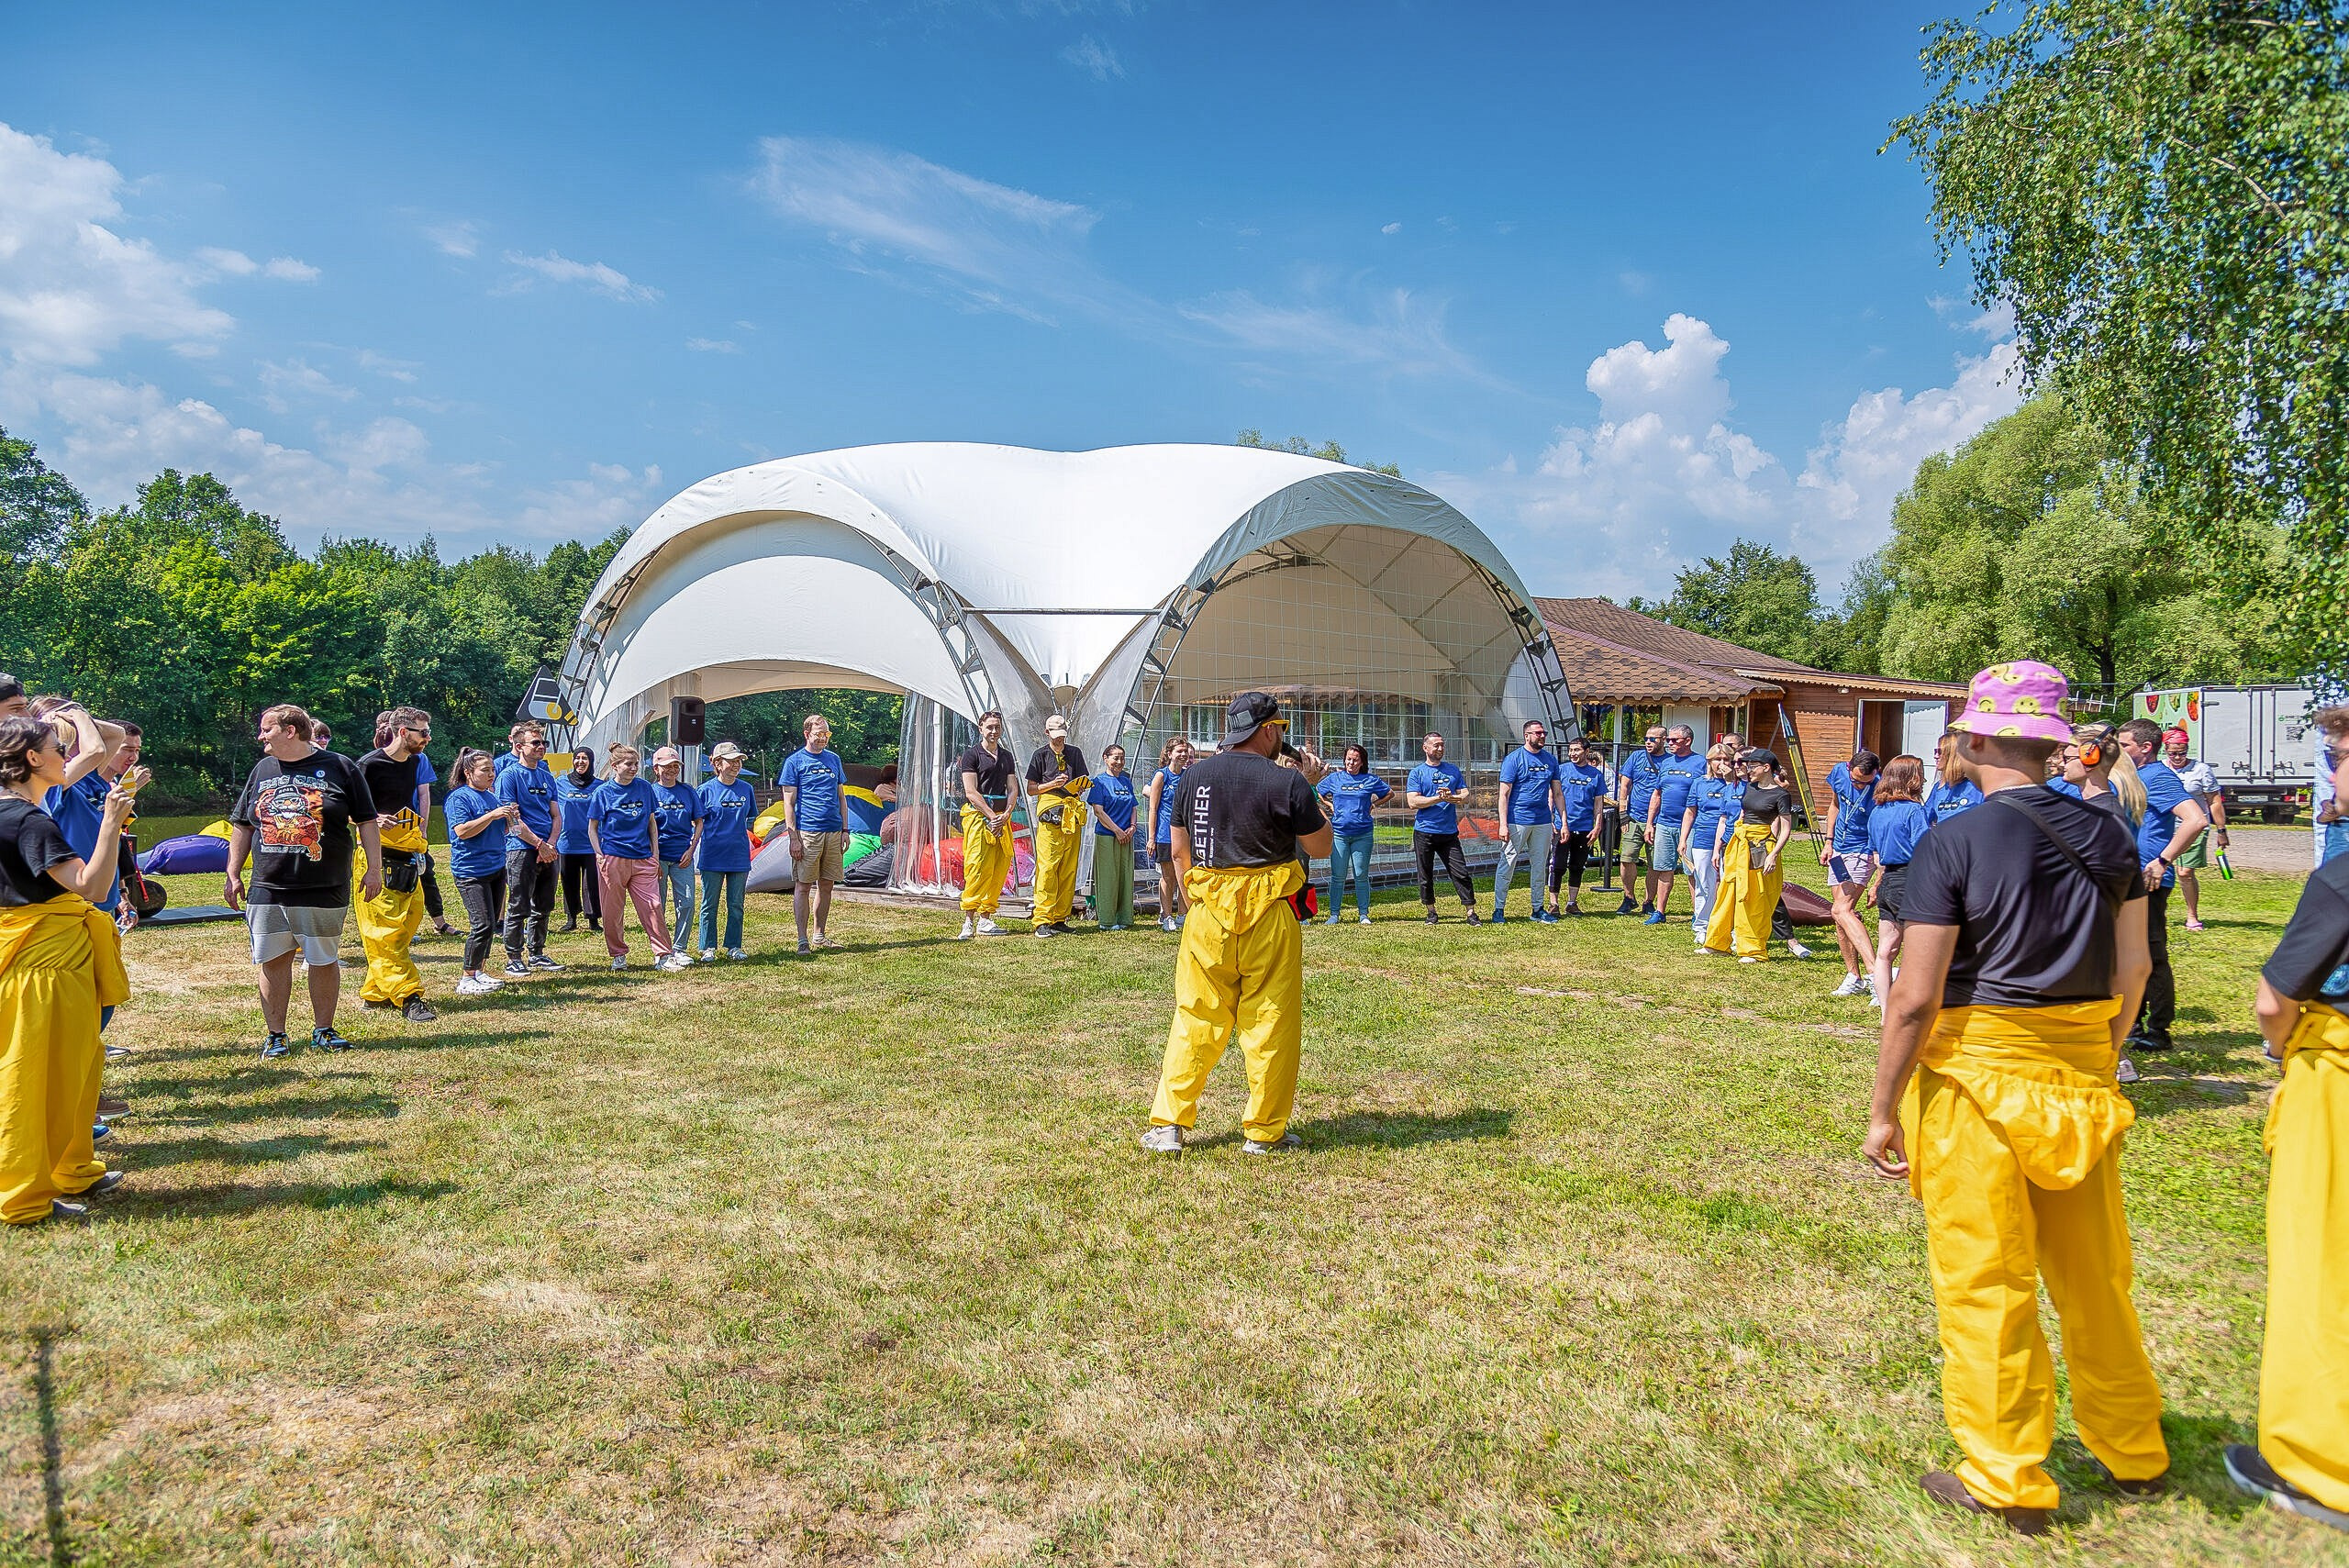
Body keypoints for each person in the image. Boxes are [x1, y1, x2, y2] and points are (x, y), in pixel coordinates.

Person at [1862, 659, 2166, 1536]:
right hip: (2078, 1069)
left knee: (1987, 1276)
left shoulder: (1951, 840)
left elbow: (1915, 996)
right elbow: (2136, 965)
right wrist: (2096, 1060)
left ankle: (2005, 1472)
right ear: (2047, 741)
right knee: (2097, 1275)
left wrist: (1884, 1106)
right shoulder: (2111, 830)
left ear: (1978, 736)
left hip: (1975, 1077)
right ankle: (2133, 1444)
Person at [1141, 693, 1332, 1155]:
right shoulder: (1285, 782)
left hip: (1207, 913)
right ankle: (1264, 1132)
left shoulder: (1192, 778)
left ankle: (1169, 1125)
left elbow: (1180, 851)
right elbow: (1322, 846)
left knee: (1195, 1016)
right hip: (1270, 914)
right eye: (1280, 730)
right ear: (1267, 730)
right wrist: (1305, 786)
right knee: (1270, 1020)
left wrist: (1192, 904)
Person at [2236, 834, 2349, 1530]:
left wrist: (2282, 1051)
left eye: (2337, 754)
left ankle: (2321, 1464)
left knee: (2320, 1259)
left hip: (2335, 1075)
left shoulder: (2341, 877)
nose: (2329, 771)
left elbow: (2275, 999)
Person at [1, 715, 135, 1225]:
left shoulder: (14, 813)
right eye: (58, 748)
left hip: (33, 960)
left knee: (72, 1069)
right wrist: (110, 823)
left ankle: (72, 1168)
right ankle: (21, 1198)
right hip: (45, 969)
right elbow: (91, 886)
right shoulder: (27, 820)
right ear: (32, 759)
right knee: (35, 1080)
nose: (65, 756)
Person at [226, 704, 384, 1057]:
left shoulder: (341, 767)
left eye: (266, 729)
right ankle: (276, 1035)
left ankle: (324, 1030)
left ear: (290, 731)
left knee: (322, 959)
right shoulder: (262, 769)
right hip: (268, 885)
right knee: (272, 959)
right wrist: (233, 872)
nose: (260, 736)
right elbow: (242, 823)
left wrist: (374, 868)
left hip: (323, 884)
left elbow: (367, 821)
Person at [2117, 717, 2209, 1056]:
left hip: (2149, 878)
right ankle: (2134, 1023)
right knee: (2131, 954)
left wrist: (2163, 860)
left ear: (2145, 748)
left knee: (2151, 954)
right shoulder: (2133, 777)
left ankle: (2159, 1029)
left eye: (2125, 745)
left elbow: (2196, 819)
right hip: (2128, 877)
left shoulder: (2158, 777)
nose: (2119, 751)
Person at [352, 709, 439, 1023]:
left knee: (403, 927)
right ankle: (407, 995)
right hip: (376, 856)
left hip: (408, 853)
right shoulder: (369, 764)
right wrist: (373, 818)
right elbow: (344, 810)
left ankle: (376, 992)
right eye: (423, 733)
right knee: (383, 930)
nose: (427, 738)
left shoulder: (415, 763)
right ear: (403, 732)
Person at [588, 742, 680, 972]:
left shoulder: (644, 788)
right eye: (629, 764)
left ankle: (663, 955)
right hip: (613, 858)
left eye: (636, 764)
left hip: (643, 857)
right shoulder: (603, 792)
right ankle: (618, 954)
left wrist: (655, 854)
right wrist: (600, 855)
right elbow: (592, 828)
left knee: (653, 905)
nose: (634, 768)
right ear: (614, 765)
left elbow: (651, 823)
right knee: (612, 911)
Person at [1701, 750, 1793, 962]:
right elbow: (1742, 815)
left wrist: (1773, 855)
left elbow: (1785, 828)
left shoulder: (1780, 795)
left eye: (1752, 766)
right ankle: (1717, 943)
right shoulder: (1750, 788)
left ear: (1766, 768)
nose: (1747, 769)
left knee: (1754, 896)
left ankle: (1752, 948)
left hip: (1761, 847)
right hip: (1740, 844)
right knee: (1728, 891)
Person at [493, 724, 564, 977]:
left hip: (549, 849)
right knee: (518, 903)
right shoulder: (509, 776)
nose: (541, 747)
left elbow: (556, 815)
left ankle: (537, 953)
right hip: (521, 848)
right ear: (519, 746)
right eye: (535, 743)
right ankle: (514, 956)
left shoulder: (547, 777)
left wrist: (552, 844)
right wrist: (538, 844)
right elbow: (512, 820)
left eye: (543, 743)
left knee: (544, 904)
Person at [442, 749, 515, 996]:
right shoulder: (459, 798)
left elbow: (501, 830)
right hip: (470, 871)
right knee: (481, 924)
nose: (491, 774)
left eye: (493, 770)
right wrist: (492, 815)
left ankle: (480, 971)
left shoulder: (491, 797)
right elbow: (462, 831)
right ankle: (466, 977)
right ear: (468, 773)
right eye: (485, 770)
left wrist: (507, 818)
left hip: (495, 868)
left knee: (492, 923)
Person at [776, 714, 849, 955]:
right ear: (807, 734)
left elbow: (841, 798)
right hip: (808, 831)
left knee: (827, 884)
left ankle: (820, 934)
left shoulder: (834, 760)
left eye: (827, 734)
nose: (823, 738)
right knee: (804, 885)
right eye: (819, 734)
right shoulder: (794, 762)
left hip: (834, 831)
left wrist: (845, 829)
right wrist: (794, 837)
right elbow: (789, 802)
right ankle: (802, 939)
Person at [1863, 755, 1929, 1012]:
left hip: (1888, 879)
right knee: (1916, 951)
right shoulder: (1913, 810)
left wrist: (1877, 884)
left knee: (1885, 952)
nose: (1923, 779)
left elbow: (1877, 855)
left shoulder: (1877, 812)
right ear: (1911, 779)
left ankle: (1885, 1010)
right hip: (1911, 878)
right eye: (1920, 774)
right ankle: (1910, 1007)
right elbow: (1924, 848)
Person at [1820, 750, 1883, 998]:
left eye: (1865, 782)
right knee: (1841, 916)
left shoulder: (1879, 788)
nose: (1859, 785)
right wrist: (1829, 840)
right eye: (1856, 780)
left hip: (1862, 850)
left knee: (1842, 909)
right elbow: (1835, 804)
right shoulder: (1838, 772)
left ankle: (1875, 974)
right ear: (1848, 767)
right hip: (1839, 849)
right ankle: (1853, 976)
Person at [1024, 715, 1090, 939]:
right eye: (1055, 737)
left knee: (1068, 867)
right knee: (1048, 867)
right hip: (1050, 813)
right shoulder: (1040, 755)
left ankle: (1060, 917)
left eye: (1062, 736)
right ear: (1047, 734)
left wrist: (1077, 788)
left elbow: (1082, 781)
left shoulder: (1075, 753)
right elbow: (1031, 789)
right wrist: (1051, 785)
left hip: (1071, 813)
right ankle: (1042, 918)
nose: (1059, 740)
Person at [1493, 720, 1564, 924]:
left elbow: (1558, 793)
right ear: (1527, 735)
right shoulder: (1513, 759)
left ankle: (1537, 909)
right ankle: (1499, 909)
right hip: (1517, 821)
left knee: (1540, 865)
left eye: (1544, 733)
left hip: (1542, 821)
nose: (1542, 736)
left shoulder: (1551, 760)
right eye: (1538, 733)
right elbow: (1504, 795)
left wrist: (1563, 821)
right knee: (1507, 864)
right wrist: (1503, 824)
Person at [956, 711, 1019, 940]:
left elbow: (1012, 788)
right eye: (990, 727)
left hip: (1002, 816)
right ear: (981, 728)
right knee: (977, 865)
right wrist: (992, 816)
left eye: (997, 728)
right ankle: (968, 920)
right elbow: (971, 791)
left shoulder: (1006, 756)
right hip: (980, 816)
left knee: (999, 866)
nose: (994, 732)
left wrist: (1006, 814)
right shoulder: (971, 755)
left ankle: (986, 917)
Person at [1407, 732, 1477, 925]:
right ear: (1425, 748)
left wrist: (1452, 798)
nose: (1440, 749)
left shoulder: (1453, 771)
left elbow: (1465, 795)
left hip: (1448, 833)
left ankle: (1470, 912)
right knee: (1425, 874)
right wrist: (1439, 798)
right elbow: (1413, 802)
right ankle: (1431, 911)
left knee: (1460, 871)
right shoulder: (1417, 773)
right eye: (1436, 745)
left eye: (1442, 745)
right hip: (1424, 831)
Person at [695, 740, 757, 960]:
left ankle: (734, 946)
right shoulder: (704, 791)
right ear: (718, 763)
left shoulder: (746, 789)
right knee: (709, 904)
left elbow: (750, 818)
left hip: (739, 856)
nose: (736, 765)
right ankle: (707, 946)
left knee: (736, 904)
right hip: (712, 856)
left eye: (739, 761)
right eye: (732, 761)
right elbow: (697, 821)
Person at [2160, 728, 2225, 932]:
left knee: (2185, 872)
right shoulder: (2160, 768)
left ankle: (2192, 915)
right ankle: (2158, 910)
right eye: (2173, 753)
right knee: (2160, 869)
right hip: (2166, 826)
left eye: (2182, 752)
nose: (2178, 757)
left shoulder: (2201, 770)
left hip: (2194, 827)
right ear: (2165, 750)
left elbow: (2214, 801)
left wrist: (2221, 830)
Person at [1317, 743, 1389, 925]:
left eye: (1355, 760)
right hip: (1339, 834)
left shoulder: (1370, 779)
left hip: (1362, 834)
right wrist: (1330, 805)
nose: (1351, 762)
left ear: (1362, 762)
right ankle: (1334, 915)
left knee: (1361, 874)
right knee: (1338, 875)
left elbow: (1389, 793)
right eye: (1348, 759)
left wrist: (1374, 805)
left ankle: (1363, 914)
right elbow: (1318, 791)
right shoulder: (1335, 778)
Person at [1642, 725, 1705, 925]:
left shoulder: (1700, 763)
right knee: (1663, 868)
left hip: (1691, 827)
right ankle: (1660, 911)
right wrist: (1650, 823)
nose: (1669, 743)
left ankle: (1698, 913)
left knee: (1692, 870)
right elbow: (1657, 794)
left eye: (1674, 740)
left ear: (1688, 741)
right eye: (1668, 740)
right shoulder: (1667, 764)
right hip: (1664, 824)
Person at [648, 746, 704, 962]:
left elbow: (699, 822)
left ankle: (680, 948)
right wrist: (653, 856)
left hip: (683, 857)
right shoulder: (650, 791)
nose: (671, 770)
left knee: (687, 902)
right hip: (658, 857)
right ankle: (662, 950)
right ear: (656, 769)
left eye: (675, 766)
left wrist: (692, 849)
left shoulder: (688, 791)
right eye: (666, 766)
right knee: (657, 904)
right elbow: (647, 825)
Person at [1681, 746, 1738, 948]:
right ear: (1709, 761)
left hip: (1731, 838)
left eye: (1727, 759)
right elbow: (1690, 812)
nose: (1722, 763)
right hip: (1703, 838)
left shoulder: (1738, 785)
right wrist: (1683, 839)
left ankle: (1731, 929)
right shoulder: (1699, 783)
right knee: (1704, 884)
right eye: (1717, 759)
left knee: (1729, 884)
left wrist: (1731, 780)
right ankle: (1702, 927)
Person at [1546, 736, 1608, 917]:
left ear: (1586, 752)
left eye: (1577, 750)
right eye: (1571, 750)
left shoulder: (1596, 775)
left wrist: (1597, 827)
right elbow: (1553, 796)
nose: (1572, 753)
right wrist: (1551, 820)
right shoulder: (1561, 770)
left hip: (1585, 827)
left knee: (1577, 866)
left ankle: (1572, 903)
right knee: (1557, 865)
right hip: (1562, 827)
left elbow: (1598, 803)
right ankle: (1553, 903)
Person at [407, 748, 460, 939]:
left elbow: (424, 795)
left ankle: (440, 923)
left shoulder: (419, 758)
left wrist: (423, 827)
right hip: (387, 833)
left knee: (426, 872)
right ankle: (399, 926)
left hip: (412, 828)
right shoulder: (374, 761)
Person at [1144, 738, 1195, 932]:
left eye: (1185, 752)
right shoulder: (1161, 776)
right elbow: (1153, 809)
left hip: (1184, 834)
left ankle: (1183, 915)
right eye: (1179, 751)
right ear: (1169, 753)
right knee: (1168, 877)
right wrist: (1151, 838)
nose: (1183, 755)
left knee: (1185, 876)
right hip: (1165, 834)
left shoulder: (1188, 776)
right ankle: (1166, 915)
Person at [1087, 743, 1140, 930]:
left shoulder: (1126, 781)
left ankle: (1125, 918)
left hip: (1126, 836)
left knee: (1125, 877)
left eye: (1122, 758)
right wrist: (1117, 830)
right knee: (1108, 878)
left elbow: (1133, 806)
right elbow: (1098, 811)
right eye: (1115, 758)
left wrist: (1132, 827)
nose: (1119, 762)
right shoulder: (1099, 782)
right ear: (1105, 758)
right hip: (1108, 836)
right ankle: (1107, 921)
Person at [1616, 726, 1666, 916]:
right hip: (1634, 818)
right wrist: (1623, 814)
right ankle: (1629, 898)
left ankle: (1649, 901)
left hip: (1659, 821)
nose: (1648, 742)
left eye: (1653, 739)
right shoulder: (1636, 758)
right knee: (1627, 858)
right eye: (1646, 738)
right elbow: (1625, 786)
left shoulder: (1670, 761)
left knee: (1655, 863)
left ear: (1663, 740)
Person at [553, 748, 602, 932]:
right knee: (569, 881)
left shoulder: (599, 785)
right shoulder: (561, 783)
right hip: (567, 842)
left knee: (592, 883)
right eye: (577, 758)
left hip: (591, 842)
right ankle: (571, 918)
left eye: (585, 758)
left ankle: (593, 919)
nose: (580, 761)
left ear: (591, 761)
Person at [1923, 734, 1984, 827]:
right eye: (1935, 751)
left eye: (1939, 752)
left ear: (1952, 755)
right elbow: (1923, 820)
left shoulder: (1976, 787)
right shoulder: (1938, 788)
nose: (1935, 756)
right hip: (1943, 840)